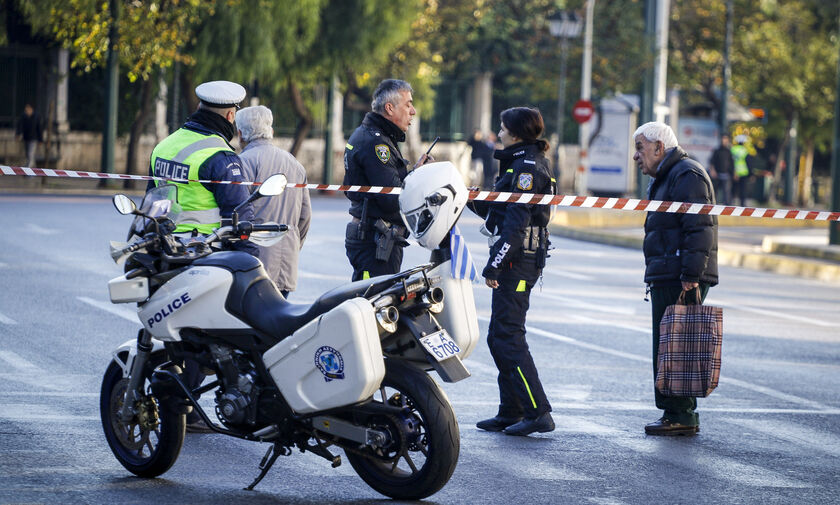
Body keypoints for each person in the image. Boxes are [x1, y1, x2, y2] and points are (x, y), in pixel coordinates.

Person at [146, 80, 256, 433]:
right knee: (199, 336)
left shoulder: (166, 145)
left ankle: (172, 406)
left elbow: (152, 201)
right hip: (202, 257)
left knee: (173, 331)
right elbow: (241, 220)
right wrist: (251, 269)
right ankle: (188, 411)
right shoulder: (220, 157)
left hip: (164, 254)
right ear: (230, 113)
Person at [469, 107, 556, 437]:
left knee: (508, 335)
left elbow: (516, 228)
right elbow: (497, 212)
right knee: (498, 336)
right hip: (516, 257)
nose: (498, 134)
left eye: (503, 129)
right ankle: (512, 410)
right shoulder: (517, 162)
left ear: (517, 135)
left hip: (519, 259)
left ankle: (538, 411)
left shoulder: (527, 168)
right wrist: (464, 195)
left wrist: (495, 264)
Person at [632, 121, 718, 436]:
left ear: (659, 147)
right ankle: (675, 412)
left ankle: (681, 414)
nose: (636, 157)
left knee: (677, 345)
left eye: (640, 148)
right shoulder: (670, 175)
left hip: (680, 274)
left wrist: (691, 275)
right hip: (671, 272)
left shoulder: (686, 175)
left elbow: (699, 227)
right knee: (669, 344)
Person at [343, 79, 431, 281]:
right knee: (372, 303)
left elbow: (388, 185)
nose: (413, 111)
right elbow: (392, 197)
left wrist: (416, 172)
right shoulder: (376, 143)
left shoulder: (376, 135)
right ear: (389, 108)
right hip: (375, 241)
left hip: (377, 238)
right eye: (408, 104)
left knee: (377, 302)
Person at [237, 105, 311, 298]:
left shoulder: (242, 163)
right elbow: (304, 218)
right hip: (287, 262)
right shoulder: (295, 164)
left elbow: (237, 213)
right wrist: (291, 244)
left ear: (240, 134)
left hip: (253, 264)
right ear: (271, 130)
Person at [708, 134, 734, 205]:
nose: (724, 141)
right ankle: (713, 205)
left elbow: (732, 163)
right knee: (714, 192)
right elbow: (712, 162)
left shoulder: (729, 151)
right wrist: (712, 171)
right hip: (717, 175)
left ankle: (727, 207)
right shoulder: (717, 151)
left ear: (728, 141)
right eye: (723, 139)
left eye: (725, 139)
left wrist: (733, 173)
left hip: (726, 175)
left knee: (727, 192)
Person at [16, 104, 43, 168]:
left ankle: (29, 173)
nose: (26, 111)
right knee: (28, 155)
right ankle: (34, 170)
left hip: (33, 139)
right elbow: (20, 125)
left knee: (30, 155)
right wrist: (18, 134)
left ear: (31, 109)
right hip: (26, 138)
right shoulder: (24, 116)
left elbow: (39, 128)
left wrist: (40, 139)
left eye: (27, 109)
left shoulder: (36, 117)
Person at [731, 135, 750, 206]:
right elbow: (748, 162)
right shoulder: (745, 150)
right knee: (743, 190)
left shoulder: (733, 149)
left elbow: (731, 161)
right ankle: (742, 204)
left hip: (735, 172)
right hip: (743, 172)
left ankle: (732, 203)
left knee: (734, 189)